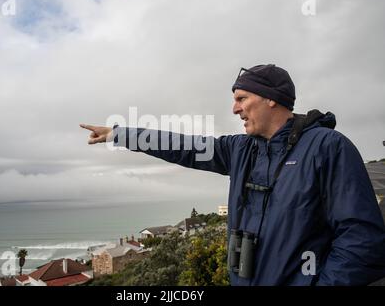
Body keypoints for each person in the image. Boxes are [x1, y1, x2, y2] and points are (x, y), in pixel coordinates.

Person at [80, 64, 385, 285]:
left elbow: (361, 238)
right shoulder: (239, 149)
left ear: (271, 99)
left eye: (242, 99)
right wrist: (120, 134)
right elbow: (182, 146)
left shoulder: (328, 147)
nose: (234, 108)